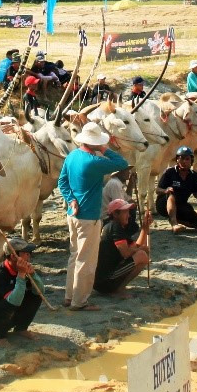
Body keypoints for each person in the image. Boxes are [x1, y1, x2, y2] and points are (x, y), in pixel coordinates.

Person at [57, 122, 127, 310]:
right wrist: (105, 149)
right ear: (95, 142)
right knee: (87, 260)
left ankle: (69, 296)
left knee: (75, 255)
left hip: (73, 213)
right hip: (89, 216)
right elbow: (122, 163)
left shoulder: (72, 156)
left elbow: (62, 181)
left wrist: (70, 199)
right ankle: (79, 301)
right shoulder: (94, 162)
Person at [0, 236, 43, 346]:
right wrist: (21, 275)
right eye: (26, 253)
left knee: (35, 296)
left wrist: (33, 275)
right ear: (14, 256)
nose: (29, 256)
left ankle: (21, 328)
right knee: (11, 302)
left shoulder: (23, 269)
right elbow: (15, 300)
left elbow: (40, 291)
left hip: (11, 316)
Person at [94, 198, 151, 296]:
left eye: (128, 212)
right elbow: (126, 253)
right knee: (142, 255)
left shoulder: (117, 226)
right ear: (115, 214)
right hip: (104, 280)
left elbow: (135, 246)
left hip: (101, 280)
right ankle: (118, 290)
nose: (129, 215)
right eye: (125, 212)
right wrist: (141, 249)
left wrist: (145, 228)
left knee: (141, 254)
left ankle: (118, 288)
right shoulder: (114, 226)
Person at [156, 146, 197, 232]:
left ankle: (177, 220)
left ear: (191, 160)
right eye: (181, 159)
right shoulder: (170, 172)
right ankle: (174, 224)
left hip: (181, 204)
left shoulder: (193, 175)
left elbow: (196, 194)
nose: (184, 161)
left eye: (187, 159)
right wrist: (165, 190)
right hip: (164, 204)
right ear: (177, 160)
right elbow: (157, 190)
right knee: (172, 193)